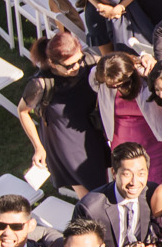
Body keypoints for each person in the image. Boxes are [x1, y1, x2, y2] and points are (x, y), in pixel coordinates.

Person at [18, 31, 107, 195]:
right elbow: (22, 111)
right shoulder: (40, 84)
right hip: (65, 141)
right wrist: (38, 147)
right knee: (91, 193)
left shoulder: (88, 62)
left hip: (93, 131)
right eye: (69, 65)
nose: (77, 67)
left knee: (106, 182)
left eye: (79, 60)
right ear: (52, 63)